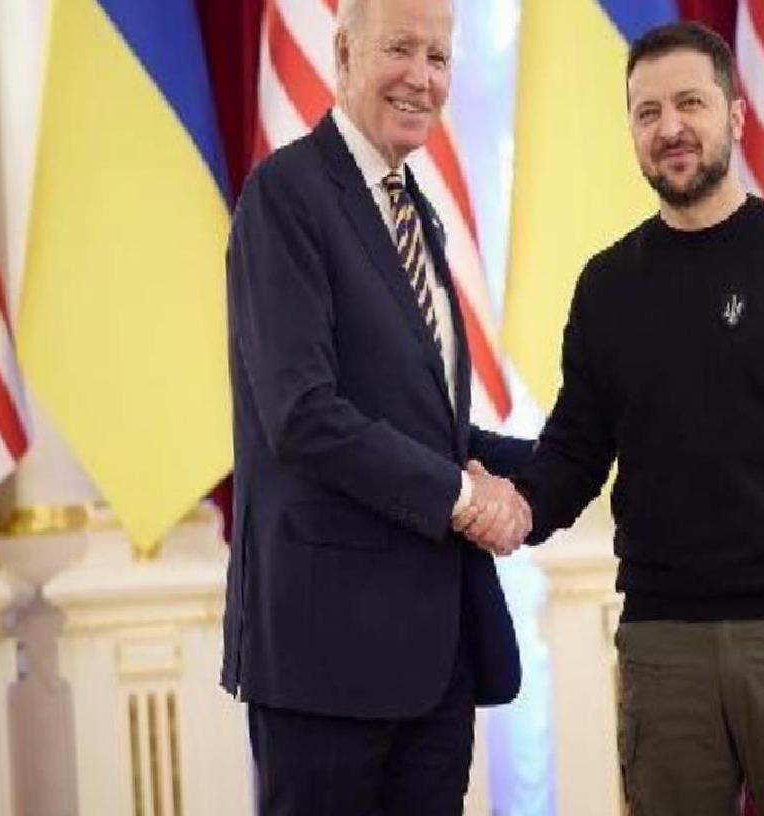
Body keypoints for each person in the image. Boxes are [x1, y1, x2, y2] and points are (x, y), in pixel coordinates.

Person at [514, 21, 764, 816]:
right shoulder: (606, 287)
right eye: (648, 112)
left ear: (734, 114)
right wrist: (498, 500)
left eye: (690, 103)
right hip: (662, 649)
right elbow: (573, 456)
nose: (670, 128)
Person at [219, 0, 531, 812]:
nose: (421, 77)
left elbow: (428, 429)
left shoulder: (416, 212)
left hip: (433, 659)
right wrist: (465, 499)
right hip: (326, 659)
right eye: (401, 48)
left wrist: (569, 456)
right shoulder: (284, 196)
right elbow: (304, 413)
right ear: (344, 53)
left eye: (439, 57)